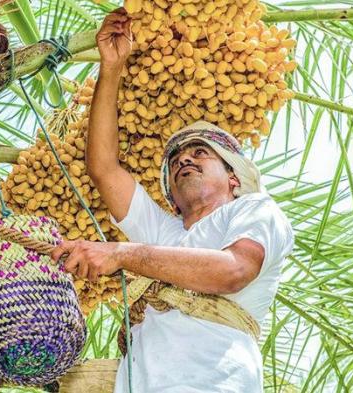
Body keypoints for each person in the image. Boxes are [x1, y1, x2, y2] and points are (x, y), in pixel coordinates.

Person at [51, 8, 294, 393]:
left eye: (201, 153)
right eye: (176, 161)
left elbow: (233, 272)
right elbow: (103, 168)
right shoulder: (163, 232)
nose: (185, 159)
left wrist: (121, 254)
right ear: (171, 197)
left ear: (233, 177)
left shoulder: (255, 209)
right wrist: (111, 68)